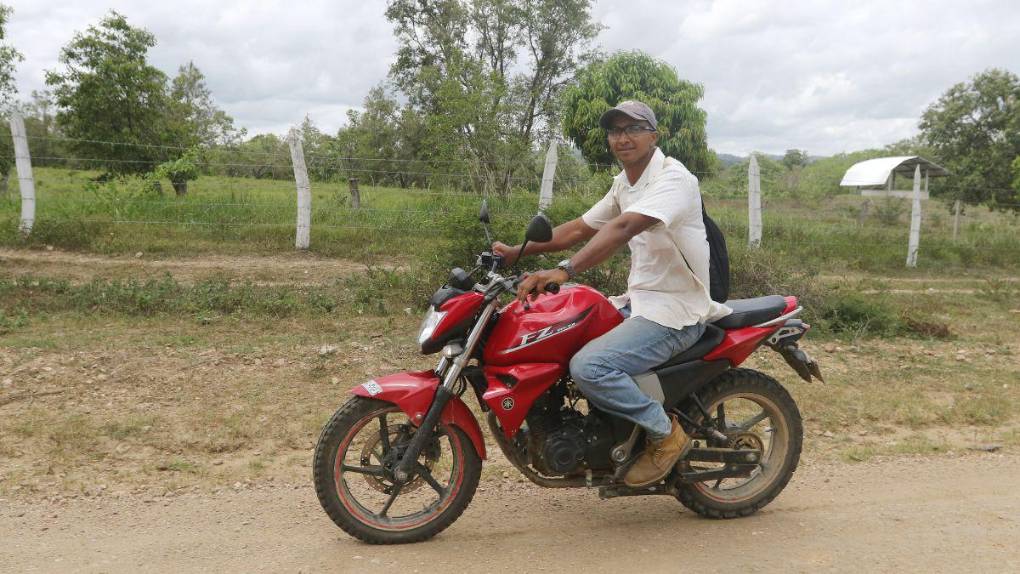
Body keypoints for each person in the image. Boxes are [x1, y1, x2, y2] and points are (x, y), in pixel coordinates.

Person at [492, 100, 731, 488]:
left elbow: (622, 229)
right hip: (640, 302)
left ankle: (666, 436)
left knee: (590, 367)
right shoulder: (625, 183)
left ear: (653, 136)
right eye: (615, 131)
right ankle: (606, 431)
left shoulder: (674, 179)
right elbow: (579, 229)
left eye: (633, 129)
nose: (623, 137)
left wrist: (564, 270)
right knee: (562, 341)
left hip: (676, 310)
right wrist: (517, 252)